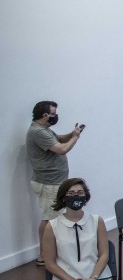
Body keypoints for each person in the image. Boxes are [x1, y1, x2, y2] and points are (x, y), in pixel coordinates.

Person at [28, 100, 84, 266]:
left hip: (54, 182)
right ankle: (44, 256)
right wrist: (75, 137)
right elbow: (62, 149)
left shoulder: (44, 130)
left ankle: (49, 254)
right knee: (50, 220)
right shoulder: (37, 132)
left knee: (52, 218)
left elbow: (59, 139)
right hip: (49, 183)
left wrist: (72, 133)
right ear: (45, 115)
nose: (55, 116)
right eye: (53, 113)